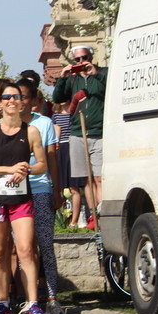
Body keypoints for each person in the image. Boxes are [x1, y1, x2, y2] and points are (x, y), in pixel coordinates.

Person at [0, 80, 51, 314]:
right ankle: (2, 303)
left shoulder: (31, 132)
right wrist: (8, 169)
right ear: (0, 103)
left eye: (15, 97)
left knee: (26, 250)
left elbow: (42, 164)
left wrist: (27, 169)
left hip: (20, 198)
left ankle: (33, 304)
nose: (11, 101)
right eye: (6, 98)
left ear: (22, 102)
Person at [18, 79, 63, 314]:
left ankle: (53, 298)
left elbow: (51, 159)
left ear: (34, 100)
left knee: (45, 243)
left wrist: (56, 190)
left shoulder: (44, 124)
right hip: (15, 193)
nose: (20, 102)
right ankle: (29, 298)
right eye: (15, 97)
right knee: (24, 248)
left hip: (40, 188)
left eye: (24, 97)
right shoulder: (4, 126)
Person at [52, 46, 107, 219]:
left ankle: (103, 213)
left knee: (99, 177)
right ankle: (93, 217)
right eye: (77, 60)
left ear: (91, 56)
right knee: (86, 180)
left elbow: (111, 87)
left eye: (84, 58)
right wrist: (62, 79)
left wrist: (95, 73)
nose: (81, 62)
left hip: (98, 131)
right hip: (78, 132)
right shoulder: (72, 80)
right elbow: (58, 98)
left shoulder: (103, 72)